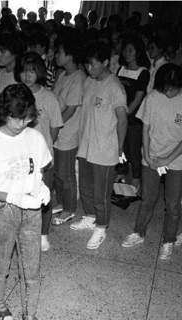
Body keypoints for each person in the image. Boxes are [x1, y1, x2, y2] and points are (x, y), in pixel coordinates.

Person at [0, 83, 51, 320]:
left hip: (31, 208)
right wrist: (13, 196)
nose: (21, 123)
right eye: (16, 118)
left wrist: (41, 187)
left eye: (26, 117)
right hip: (4, 209)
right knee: (1, 261)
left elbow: (39, 169)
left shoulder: (35, 137)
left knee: (32, 265)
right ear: (3, 113)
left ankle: (30, 313)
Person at [121, 64, 182, 260]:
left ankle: (169, 240)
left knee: (172, 203)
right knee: (148, 198)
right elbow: (145, 129)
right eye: (166, 88)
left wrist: (168, 158)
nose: (169, 92)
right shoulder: (153, 98)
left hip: (177, 159)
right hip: (152, 156)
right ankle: (139, 232)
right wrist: (146, 155)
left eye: (174, 88)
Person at [71, 43, 128, 250]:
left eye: (93, 64)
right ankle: (89, 216)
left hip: (105, 148)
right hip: (86, 144)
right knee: (85, 186)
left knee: (101, 192)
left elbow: (122, 120)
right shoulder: (88, 82)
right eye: (87, 64)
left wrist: (120, 148)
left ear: (105, 62)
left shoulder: (115, 87)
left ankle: (101, 227)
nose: (89, 68)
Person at [17, 52, 64, 252]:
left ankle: (43, 234)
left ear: (40, 72)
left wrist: (44, 147)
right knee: (20, 196)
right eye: (24, 71)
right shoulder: (16, 94)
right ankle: (21, 232)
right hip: (19, 157)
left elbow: (55, 127)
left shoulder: (49, 97)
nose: (27, 76)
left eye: (32, 71)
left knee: (43, 196)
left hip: (43, 159)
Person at [51, 38, 86, 227]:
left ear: (70, 56)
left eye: (60, 52)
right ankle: (63, 202)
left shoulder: (78, 78)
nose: (57, 56)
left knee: (66, 174)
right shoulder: (63, 74)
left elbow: (71, 110)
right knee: (58, 173)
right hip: (57, 130)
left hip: (68, 133)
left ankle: (70, 209)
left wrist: (54, 126)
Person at [116, 35, 150, 185]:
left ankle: (136, 177)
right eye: (125, 50)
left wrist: (126, 113)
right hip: (119, 115)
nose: (126, 53)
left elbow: (138, 98)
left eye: (130, 50)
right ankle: (122, 172)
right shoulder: (121, 69)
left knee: (134, 149)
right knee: (120, 148)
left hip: (134, 117)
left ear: (138, 53)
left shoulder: (143, 72)